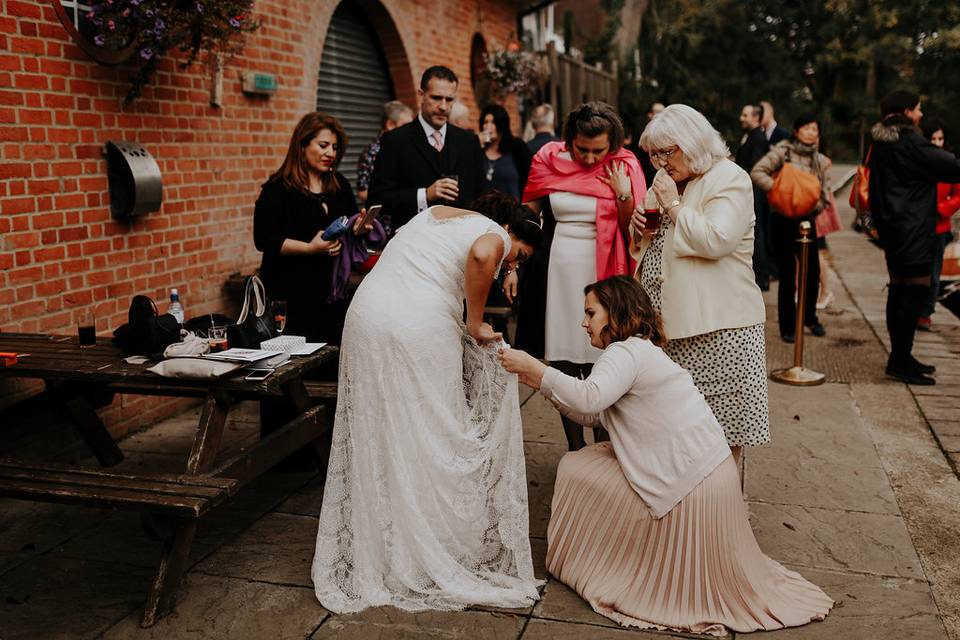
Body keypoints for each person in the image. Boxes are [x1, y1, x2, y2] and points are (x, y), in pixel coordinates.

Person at [498, 276, 833, 635]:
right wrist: (539, 383)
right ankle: (612, 562)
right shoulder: (642, 349)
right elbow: (592, 414)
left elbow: (588, 400)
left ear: (616, 312)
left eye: (591, 313)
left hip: (691, 490)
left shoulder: (625, 352)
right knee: (587, 461)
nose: (584, 323)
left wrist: (535, 367)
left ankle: (614, 568)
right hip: (713, 479)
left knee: (578, 467)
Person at [312, 192, 543, 613]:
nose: (512, 265)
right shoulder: (493, 236)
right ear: (512, 232)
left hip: (366, 316)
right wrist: (474, 324)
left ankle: (382, 545)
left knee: (380, 426)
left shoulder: (439, 215)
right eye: (520, 257)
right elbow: (483, 253)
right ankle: (423, 542)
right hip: (415, 325)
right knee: (432, 424)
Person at [507, 102, 646, 451]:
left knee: (604, 357)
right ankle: (574, 449)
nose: (588, 158)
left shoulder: (623, 164)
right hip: (558, 269)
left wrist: (623, 192)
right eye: (581, 149)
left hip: (605, 270)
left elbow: (637, 228)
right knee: (565, 360)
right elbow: (529, 216)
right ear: (569, 140)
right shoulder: (548, 159)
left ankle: (602, 448)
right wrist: (511, 265)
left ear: (612, 143)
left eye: (598, 150)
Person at [635, 104, 768, 465]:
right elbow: (654, 245)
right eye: (653, 154)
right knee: (675, 436)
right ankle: (687, 517)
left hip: (719, 331)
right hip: (668, 331)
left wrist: (673, 206)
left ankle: (723, 516)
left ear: (692, 143)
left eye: (667, 151)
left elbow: (716, 241)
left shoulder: (730, 178)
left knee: (720, 439)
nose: (660, 162)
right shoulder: (668, 181)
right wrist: (640, 228)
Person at [868, 90, 960, 384]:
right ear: (907, 111)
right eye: (918, 109)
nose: (921, 114)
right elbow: (950, 167)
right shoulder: (909, 141)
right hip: (914, 230)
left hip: (893, 229)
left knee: (898, 291)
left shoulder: (882, 142)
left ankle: (901, 356)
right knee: (914, 292)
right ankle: (899, 361)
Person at [253, 112, 364, 345]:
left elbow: (349, 225)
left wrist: (360, 227)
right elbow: (264, 239)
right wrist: (309, 248)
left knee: (330, 357)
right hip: (290, 291)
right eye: (323, 145)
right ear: (302, 146)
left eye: (335, 147)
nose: (331, 153)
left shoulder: (339, 185)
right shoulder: (278, 189)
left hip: (331, 291)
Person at [367, 66, 485, 232]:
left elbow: (482, 194)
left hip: (461, 242)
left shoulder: (468, 141)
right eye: (436, 98)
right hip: (412, 244)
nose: (443, 107)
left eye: (449, 100)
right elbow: (376, 201)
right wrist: (424, 195)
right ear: (421, 95)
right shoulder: (395, 140)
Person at [752, 113, 830, 343]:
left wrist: (813, 205)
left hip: (806, 220)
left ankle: (809, 317)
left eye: (814, 129)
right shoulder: (782, 151)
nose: (810, 133)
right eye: (806, 128)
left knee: (813, 271)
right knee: (787, 274)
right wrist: (778, 192)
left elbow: (825, 193)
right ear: (796, 131)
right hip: (782, 219)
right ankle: (787, 325)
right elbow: (757, 172)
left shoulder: (820, 161)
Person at [918, 116, 960, 331]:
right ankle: (912, 310)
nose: (937, 143)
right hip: (916, 225)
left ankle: (926, 313)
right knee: (915, 271)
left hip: (939, 226)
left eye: (940, 139)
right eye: (933, 139)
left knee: (934, 274)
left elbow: (958, 194)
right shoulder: (916, 160)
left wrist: (942, 208)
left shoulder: (950, 162)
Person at [736, 103, 772, 290]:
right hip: (748, 192)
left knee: (756, 233)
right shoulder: (750, 135)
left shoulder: (758, 138)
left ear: (756, 117)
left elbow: (755, 168)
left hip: (754, 193)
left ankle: (762, 277)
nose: (741, 118)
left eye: (745, 115)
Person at [355, 101, 414, 205]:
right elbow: (363, 192)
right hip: (384, 218)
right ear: (390, 124)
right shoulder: (372, 153)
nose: (409, 131)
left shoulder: (404, 148)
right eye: (405, 126)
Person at [479, 103, 533, 199]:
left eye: (493, 122)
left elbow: (530, 177)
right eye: (485, 122)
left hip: (511, 210)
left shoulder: (516, 146)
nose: (488, 126)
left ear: (501, 125)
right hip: (482, 211)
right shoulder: (478, 149)